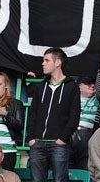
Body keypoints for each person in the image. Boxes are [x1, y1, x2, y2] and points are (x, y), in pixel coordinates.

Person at [26, 49, 80, 182]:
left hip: (59, 144)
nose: (43, 63)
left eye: (47, 60)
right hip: (37, 142)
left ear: (58, 62)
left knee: (60, 179)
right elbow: (33, 114)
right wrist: (31, 138)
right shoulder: (40, 86)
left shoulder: (72, 87)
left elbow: (74, 117)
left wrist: (62, 138)